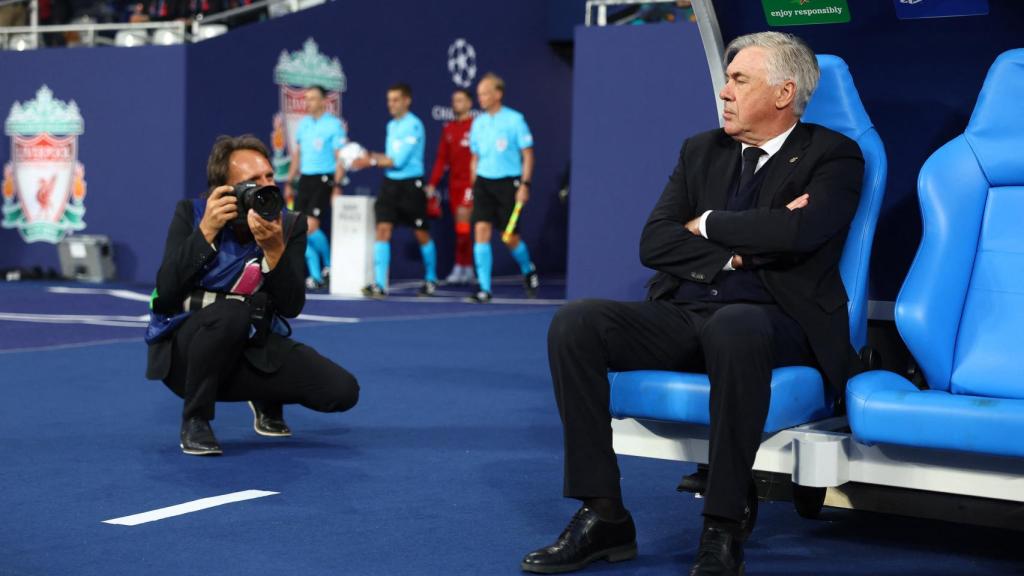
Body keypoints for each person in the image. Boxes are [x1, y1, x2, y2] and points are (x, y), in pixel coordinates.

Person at [521, 32, 864, 576]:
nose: (724, 91)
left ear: (783, 93)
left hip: (777, 320)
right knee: (577, 322)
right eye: (727, 79)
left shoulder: (834, 155)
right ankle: (604, 513)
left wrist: (706, 225)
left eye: (739, 80)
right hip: (688, 309)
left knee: (735, 326)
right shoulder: (700, 149)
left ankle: (723, 525)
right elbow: (654, 241)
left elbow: (802, 232)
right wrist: (741, 254)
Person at [145, 135, 359, 456]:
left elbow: (291, 306)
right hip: (186, 351)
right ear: (225, 190)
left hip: (252, 340)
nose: (266, 187)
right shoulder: (192, 214)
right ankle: (196, 419)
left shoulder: (289, 224)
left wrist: (274, 252)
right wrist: (206, 232)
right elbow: (165, 295)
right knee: (233, 313)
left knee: (341, 391)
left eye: (269, 177)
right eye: (252, 182)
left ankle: (265, 394)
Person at [351, 83, 438, 297]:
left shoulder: (414, 125)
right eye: (389, 100)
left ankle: (431, 279)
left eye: (396, 99)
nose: (391, 104)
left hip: (411, 185)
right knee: (383, 230)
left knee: (421, 233)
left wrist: (369, 160)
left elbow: (397, 160)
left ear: (407, 100)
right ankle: (380, 285)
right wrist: (367, 154)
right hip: (390, 185)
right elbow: (388, 158)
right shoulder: (391, 126)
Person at [467, 72, 538, 303]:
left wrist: (525, 185)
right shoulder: (478, 123)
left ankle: (528, 269)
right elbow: (475, 157)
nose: (481, 98)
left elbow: (527, 155)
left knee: (509, 237)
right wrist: (474, 181)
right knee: (481, 231)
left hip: (509, 183)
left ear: (498, 94)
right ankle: (484, 289)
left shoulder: (515, 120)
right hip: (484, 183)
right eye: (479, 94)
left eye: (486, 93)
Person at [284, 85, 347, 290]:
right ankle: (315, 275)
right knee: (299, 228)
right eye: (306, 99)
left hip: (323, 178)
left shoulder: (334, 125)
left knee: (311, 225)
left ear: (323, 101)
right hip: (305, 179)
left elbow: (341, 158)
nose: (307, 102)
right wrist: (289, 182)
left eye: (312, 98)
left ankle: (329, 266)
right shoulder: (303, 125)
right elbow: (297, 156)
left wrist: (337, 184)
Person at [426, 88, 477, 285]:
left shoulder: (476, 126)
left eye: (460, 100)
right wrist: (432, 184)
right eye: (454, 100)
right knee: (460, 227)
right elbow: (441, 160)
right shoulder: (448, 129)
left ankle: (463, 265)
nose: (456, 104)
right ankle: (465, 267)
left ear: (469, 103)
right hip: (454, 184)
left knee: (463, 224)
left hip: (470, 184)